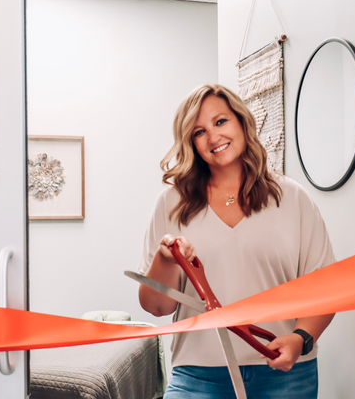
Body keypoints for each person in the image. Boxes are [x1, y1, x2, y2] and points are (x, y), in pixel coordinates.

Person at [137, 84, 336, 399]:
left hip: (286, 375)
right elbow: (156, 306)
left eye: (220, 122)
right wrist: (165, 259)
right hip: (197, 377)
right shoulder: (172, 203)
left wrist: (300, 339)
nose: (213, 137)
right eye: (199, 131)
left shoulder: (293, 198)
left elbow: (326, 288)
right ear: (191, 143)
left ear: (242, 122)